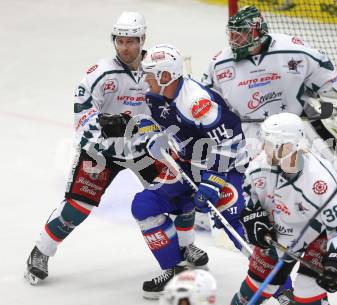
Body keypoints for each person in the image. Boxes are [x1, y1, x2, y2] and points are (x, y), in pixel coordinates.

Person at [24, 12, 205, 285]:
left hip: (145, 150)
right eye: (120, 41)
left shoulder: (156, 70)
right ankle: (41, 251)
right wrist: (110, 127)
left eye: (131, 41)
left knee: (180, 193)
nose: (125, 47)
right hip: (103, 153)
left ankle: (185, 246)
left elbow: (173, 104)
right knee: (77, 205)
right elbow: (82, 116)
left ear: (142, 39)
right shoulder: (99, 73)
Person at [201, 5, 337, 236]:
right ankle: (239, 215)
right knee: (247, 176)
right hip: (248, 129)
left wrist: (335, 103)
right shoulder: (220, 63)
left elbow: (327, 75)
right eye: (232, 33)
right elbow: (207, 98)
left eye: (241, 34)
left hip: (291, 125)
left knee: (323, 166)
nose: (234, 40)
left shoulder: (293, 49)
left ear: (257, 31)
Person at [132, 43, 247, 299]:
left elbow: (229, 142)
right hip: (188, 164)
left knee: (233, 225)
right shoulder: (154, 92)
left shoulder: (196, 102)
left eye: (150, 74)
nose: (144, 78)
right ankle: (176, 268)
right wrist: (151, 136)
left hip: (229, 168)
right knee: (144, 206)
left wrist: (213, 182)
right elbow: (145, 117)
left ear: (165, 77)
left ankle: (279, 284)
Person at [231, 113, 337, 305]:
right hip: (281, 232)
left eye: (267, 142)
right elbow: (249, 196)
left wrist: (335, 262)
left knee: (306, 293)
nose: (262, 147)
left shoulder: (321, 182)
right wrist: (253, 217)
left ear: (286, 147)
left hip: (319, 233)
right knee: (254, 289)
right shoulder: (259, 166)